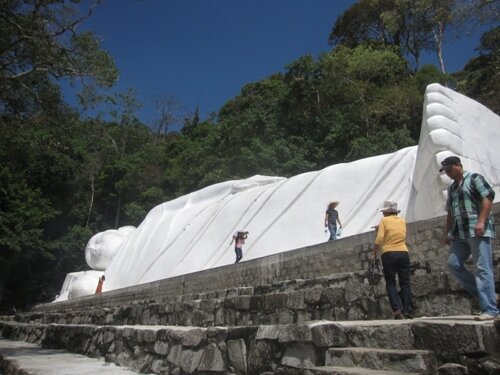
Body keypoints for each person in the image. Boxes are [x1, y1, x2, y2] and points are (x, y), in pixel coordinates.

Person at [440, 156, 499, 321]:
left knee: (482, 267)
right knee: (453, 264)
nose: (448, 173)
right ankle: (489, 296)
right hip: (460, 233)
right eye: (446, 171)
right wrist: (447, 232)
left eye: (450, 169)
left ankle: (490, 309)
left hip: (477, 230)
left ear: (459, 165)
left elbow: (488, 197)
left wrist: (481, 221)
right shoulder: (452, 188)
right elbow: (451, 212)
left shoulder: (474, 178)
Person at [372, 200, 413, 319]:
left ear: (387, 212)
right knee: (405, 282)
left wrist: (374, 252)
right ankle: (408, 310)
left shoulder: (384, 221)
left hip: (389, 253)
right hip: (403, 252)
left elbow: (379, 238)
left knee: (390, 282)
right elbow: (397, 231)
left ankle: (397, 309)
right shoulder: (402, 220)